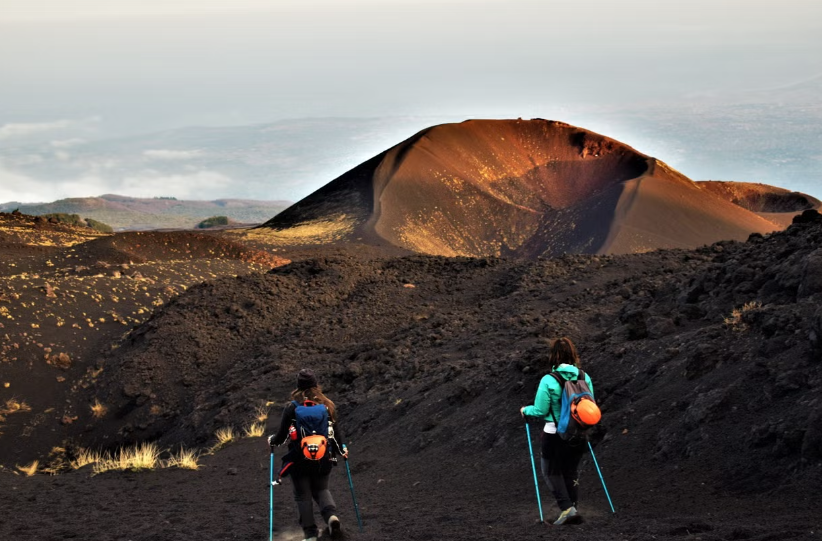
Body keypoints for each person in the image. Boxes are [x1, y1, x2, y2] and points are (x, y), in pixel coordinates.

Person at [520, 337, 594, 525]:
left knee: (551, 471)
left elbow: (540, 410)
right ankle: (573, 508)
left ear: (553, 356)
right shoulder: (584, 377)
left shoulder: (549, 380)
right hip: (578, 434)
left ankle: (567, 509)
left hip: (554, 434)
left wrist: (524, 410)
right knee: (571, 471)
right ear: (573, 354)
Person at [268, 369, 348, 541]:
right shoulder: (327, 405)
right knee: (321, 489)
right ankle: (331, 518)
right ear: (316, 384)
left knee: (302, 495)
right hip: (323, 457)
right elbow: (336, 434)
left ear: (298, 386)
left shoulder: (292, 408)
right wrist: (342, 449)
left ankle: (310, 535)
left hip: (299, 459)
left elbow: (281, 436)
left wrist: (272, 441)